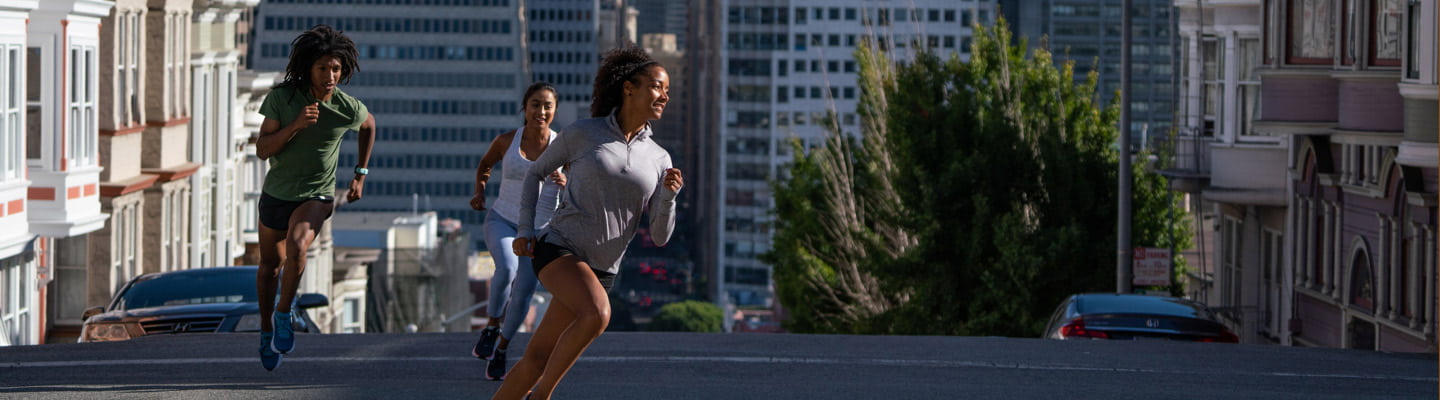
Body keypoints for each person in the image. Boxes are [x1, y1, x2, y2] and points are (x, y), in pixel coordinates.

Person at [490, 45, 682, 400]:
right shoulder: (583, 133)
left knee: (536, 357)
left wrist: (668, 197)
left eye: (667, 91)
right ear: (629, 88)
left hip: (603, 269)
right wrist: (525, 229)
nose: (664, 96)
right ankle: (541, 396)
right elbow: (535, 174)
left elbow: (659, 236)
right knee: (598, 314)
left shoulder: (659, 157)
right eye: (657, 86)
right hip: (560, 248)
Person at [254, 24, 374, 372]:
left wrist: (360, 174)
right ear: (309, 67)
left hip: (317, 195)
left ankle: (283, 314)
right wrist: (294, 126)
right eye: (323, 68)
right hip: (277, 194)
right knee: (268, 269)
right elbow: (263, 150)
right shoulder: (282, 99)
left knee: (298, 244)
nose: (330, 75)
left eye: (336, 68)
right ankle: (264, 331)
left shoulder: (346, 107)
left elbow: (369, 126)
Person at [470, 82, 567, 381]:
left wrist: (566, 182)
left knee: (524, 292)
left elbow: (580, 185)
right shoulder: (507, 141)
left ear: (555, 110)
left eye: (547, 106)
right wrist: (480, 192)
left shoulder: (563, 146)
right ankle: (491, 325)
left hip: (540, 231)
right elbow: (485, 165)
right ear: (525, 108)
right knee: (507, 268)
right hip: (503, 219)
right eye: (535, 104)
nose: (541, 111)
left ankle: (501, 349)